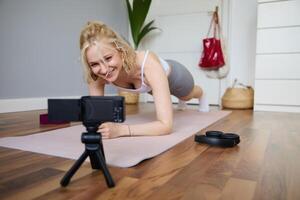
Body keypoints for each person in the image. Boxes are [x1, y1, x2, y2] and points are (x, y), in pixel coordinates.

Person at [79, 21, 209, 139]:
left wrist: (122, 130)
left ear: (121, 50)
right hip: (150, 84)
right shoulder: (96, 75)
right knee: (159, 92)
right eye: (94, 64)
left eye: (108, 58)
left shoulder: (148, 64)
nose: (104, 69)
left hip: (175, 75)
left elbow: (166, 126)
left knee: (187, 96)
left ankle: (202, 93)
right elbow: (98, 116)